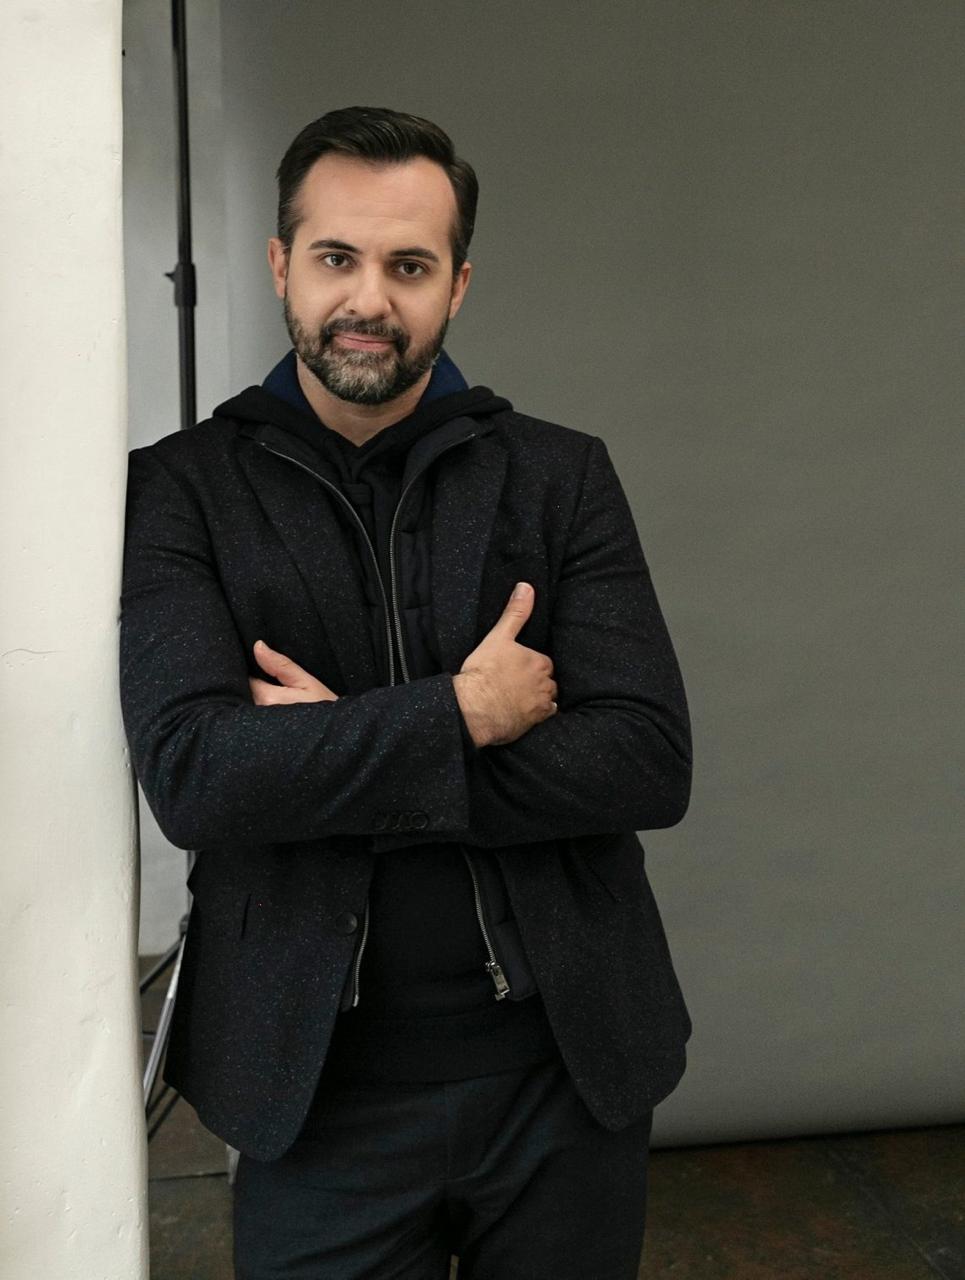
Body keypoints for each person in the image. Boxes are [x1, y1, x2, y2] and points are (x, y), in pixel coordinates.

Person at [120, 105, 693, 1280]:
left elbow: (645, 758)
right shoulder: (179, 490)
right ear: (280, 263)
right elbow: (195, 775)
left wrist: (326, 754)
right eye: (336, 257)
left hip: (564, 1073)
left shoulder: (560, 475)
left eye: (409, 265)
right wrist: (461, 714)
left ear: (458, 284)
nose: (368, 299)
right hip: (312, 1090)